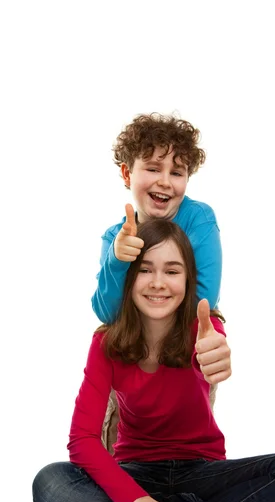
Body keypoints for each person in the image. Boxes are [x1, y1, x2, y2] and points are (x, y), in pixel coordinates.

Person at [32, 220, 275, 502]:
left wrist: (215, 352)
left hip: (203, 473)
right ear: (129, 279)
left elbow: (213, 347)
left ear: (188, 281)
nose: (158, 283)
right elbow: (82, 440)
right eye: (145, 270)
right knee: (50, 485)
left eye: (172, 270)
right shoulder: (106, 343)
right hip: (136, 473)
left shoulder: (206, 330)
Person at [92, 113, 223, 452]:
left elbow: (205, 297)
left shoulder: (199, 219)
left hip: (185, 334)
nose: (165, 181)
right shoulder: (113, 237)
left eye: (177, 173)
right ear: (127, 173)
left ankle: (189, 476)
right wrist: (118, 260)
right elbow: (106, 311)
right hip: (133, 339)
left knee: (179, 434)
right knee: (119, 436)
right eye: (153, 168)